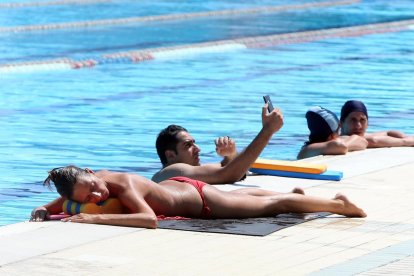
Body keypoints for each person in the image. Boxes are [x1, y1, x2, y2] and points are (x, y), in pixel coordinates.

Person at [30, 166, 366, 228]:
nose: (97, 195)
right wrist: (45, 208)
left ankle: (340, 206)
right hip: (179, 187)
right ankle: (293, 192)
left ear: (91, 172)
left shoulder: (124, 186)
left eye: (94, 189)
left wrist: (93, 217)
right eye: (89, 196)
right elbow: (63, 201)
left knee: (274, 206)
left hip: (203, 203)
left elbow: (148, 220)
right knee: (251, 195)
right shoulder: (94, 178)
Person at [152, 103, 284, 184]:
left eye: (194, 143)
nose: (197, 149)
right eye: (188, 145)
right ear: (170, 155)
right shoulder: (172, 172)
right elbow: (228, 175)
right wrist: (268, 130)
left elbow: (232, 171)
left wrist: (230, 155)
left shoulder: (185, 172)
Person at [297, 106, 368, 159]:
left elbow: (363, 141)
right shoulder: (308, 150)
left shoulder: (318, 147)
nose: (339, 134)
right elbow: (340, 146)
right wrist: (353, 139)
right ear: (332, 135)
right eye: (338, 130)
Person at [340, 100, 414, 148]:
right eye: (353, 120)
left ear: (367, 123)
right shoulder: (339, 139)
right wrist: (406, 141)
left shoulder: (363, 135)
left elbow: (388, 132)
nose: (358, 126)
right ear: (341, 123)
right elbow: (373, 141)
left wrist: (404, 136)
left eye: (362, 120)